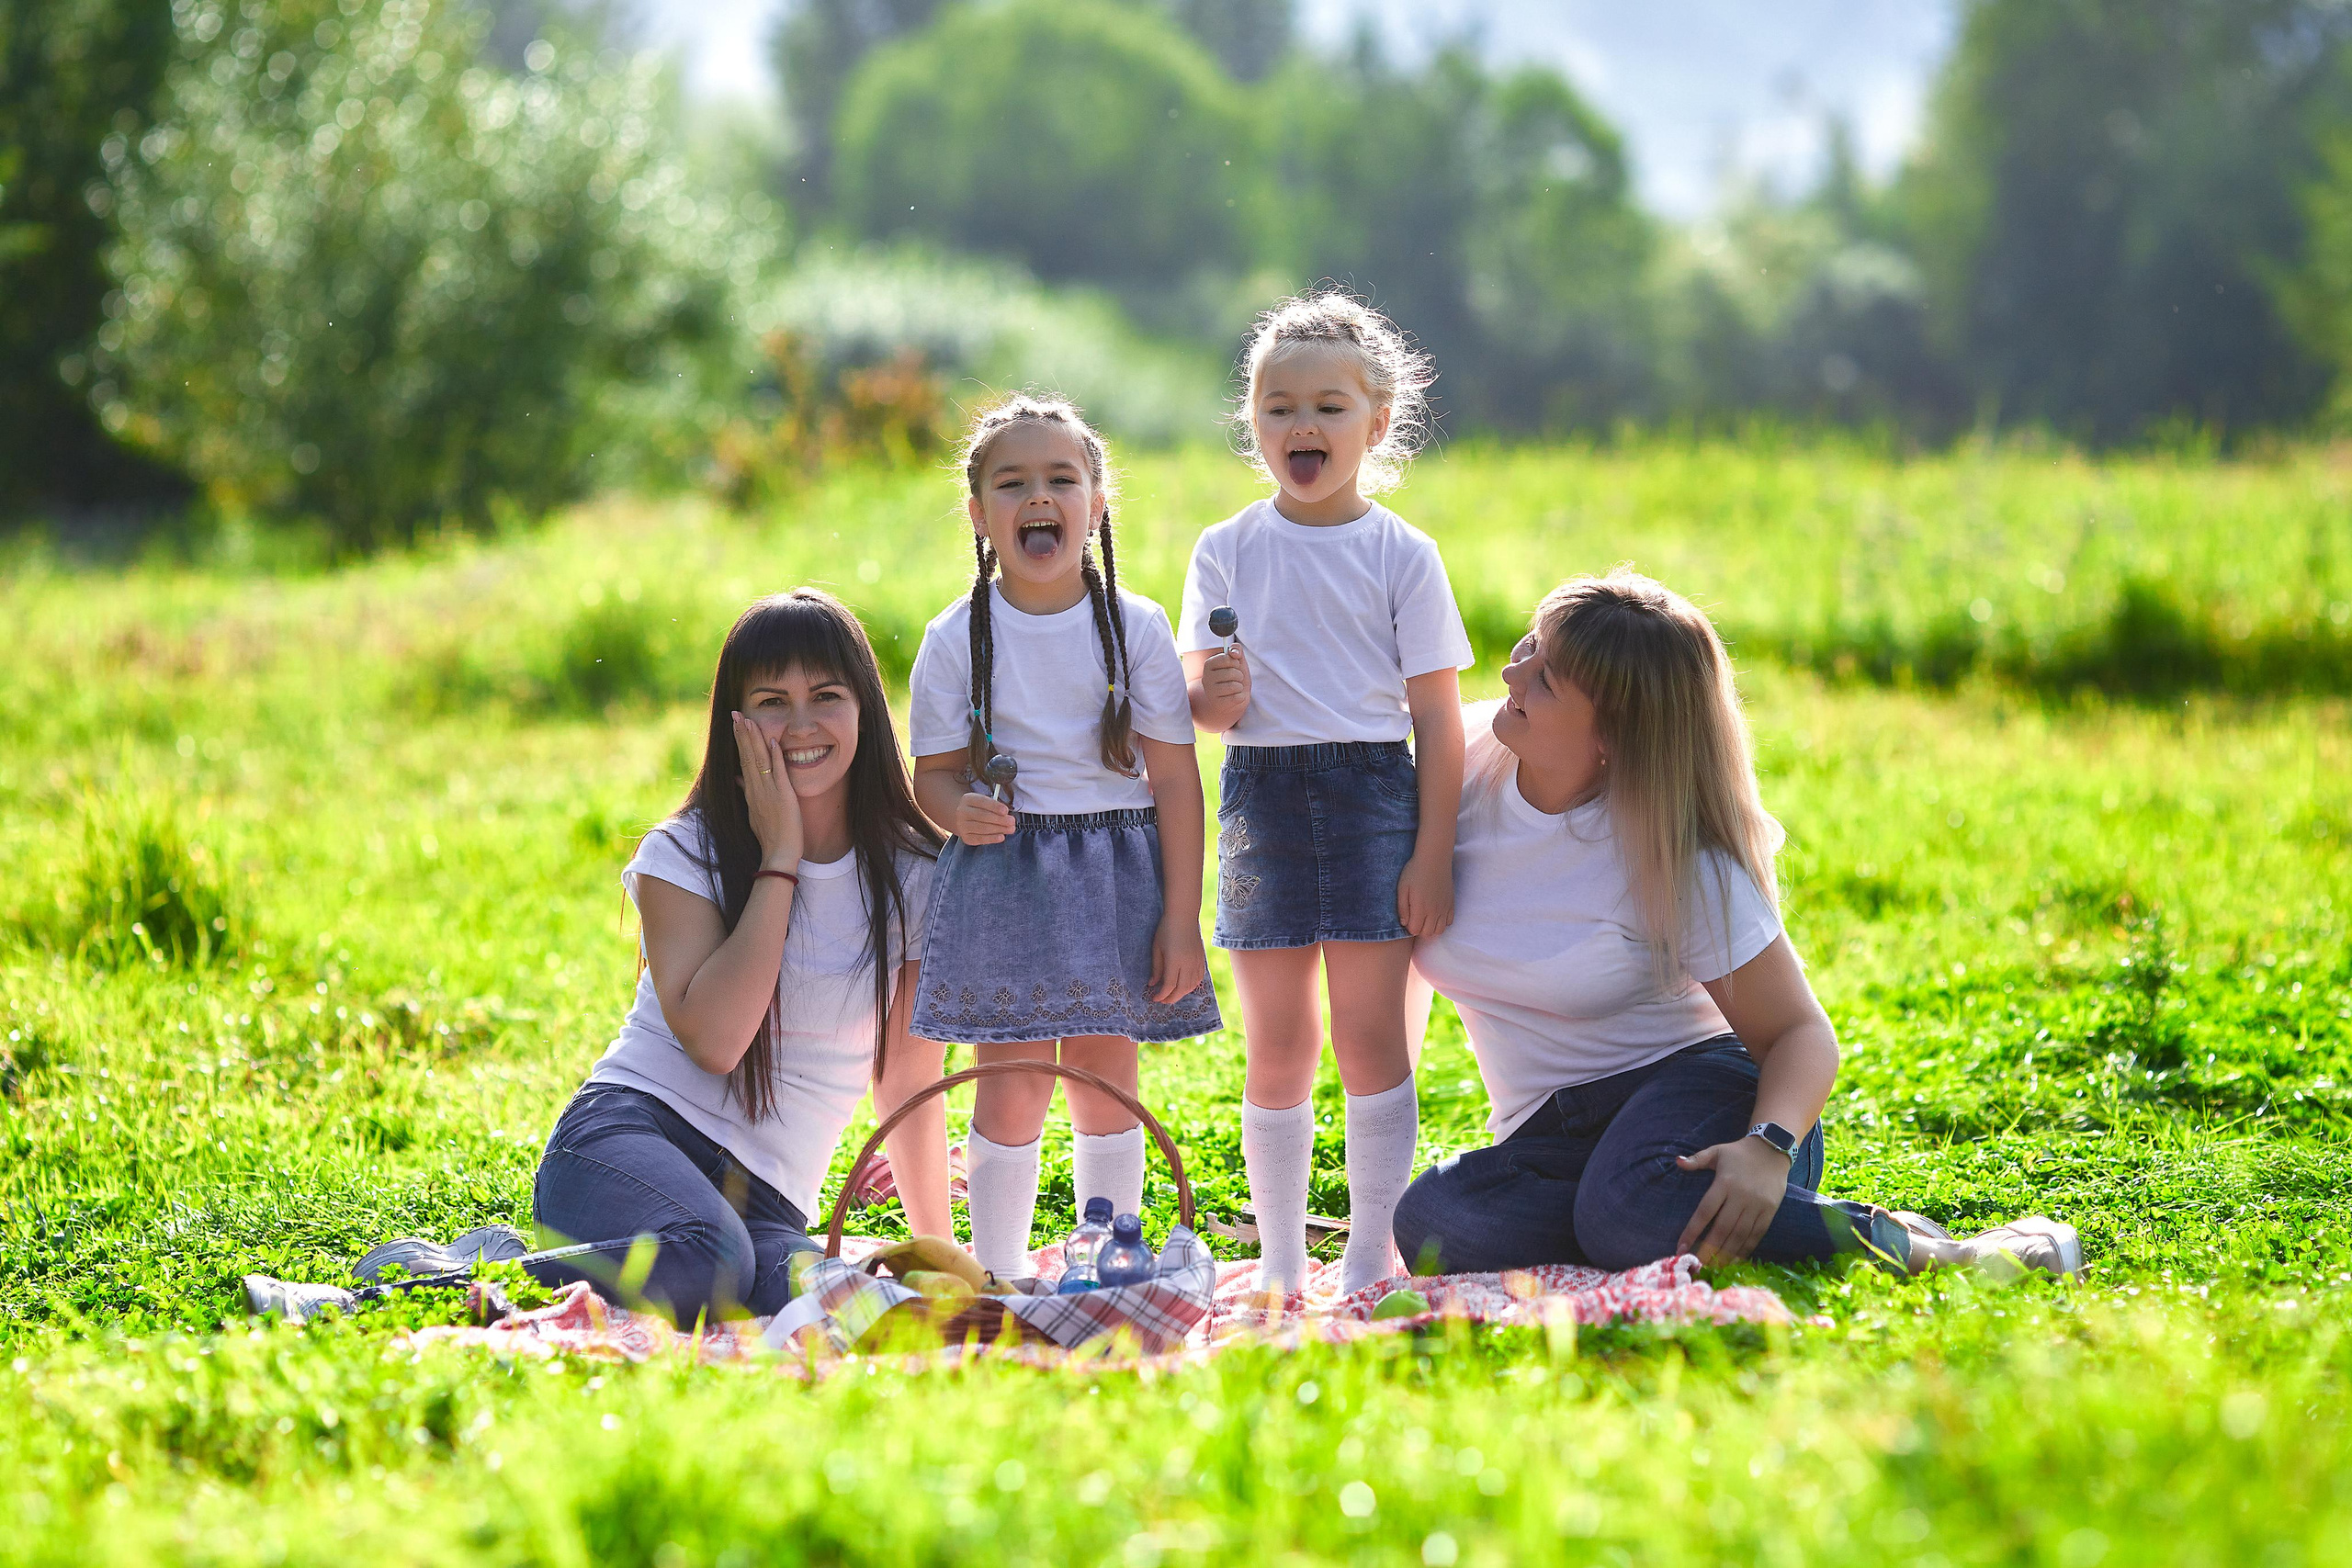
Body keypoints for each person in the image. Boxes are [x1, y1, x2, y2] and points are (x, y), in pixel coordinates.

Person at [1396, 571, 2079, 1280]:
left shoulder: (1675, 853)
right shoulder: (1457, 759)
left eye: (1547, 678)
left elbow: (1800, 1034)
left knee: (1626, 1209)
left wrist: (1768, 1147)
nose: (1511, 671)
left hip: (1712, 1095)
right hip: (1553, 1132)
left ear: (1614, 734)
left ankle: (1944, 1252)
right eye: (1529, 644)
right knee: (1439, 1222)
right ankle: (1650, 1222)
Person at [526, 590, 950, 1325]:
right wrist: (780, 855)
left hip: (766, 1208)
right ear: (737, 720)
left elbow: (909, 1082)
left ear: (866, 711)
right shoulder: (682, 852)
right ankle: (440, 1278)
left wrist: (942, 1259)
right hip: (627, 1140)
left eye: (826, 695)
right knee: (708, 1256)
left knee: (853, 1306)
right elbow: (718, 1042)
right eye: (772, 701)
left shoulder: (914, 871)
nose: (802, 724)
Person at [1179, 291, 1472, 1295]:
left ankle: (1363, 1254)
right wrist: (1209, 693)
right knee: (1279, 1042)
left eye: (1329, 408)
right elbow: (1204, 711)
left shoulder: (1403, 553)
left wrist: (1431, 852)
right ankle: (1278, 1261)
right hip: (1260, 800)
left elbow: (1437, 718)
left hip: (1371, 799)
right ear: (1252, 421)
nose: (1301, 426)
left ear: (1377, 422)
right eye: (1278, 407)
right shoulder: (1224, 548)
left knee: (1370, 1035)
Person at [908, 394, 1220, 1283]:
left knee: (1103, 1077)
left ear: (1095, 502)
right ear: (979, 515)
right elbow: (928, 775)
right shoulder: (953, 636)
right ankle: (999, 1272)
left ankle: (1105, 1255)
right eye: (1011, 484)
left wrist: (1181, 916)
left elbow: (1174, 782)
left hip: (1115, 874)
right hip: (1003, 876)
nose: (1036, 497)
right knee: (1008, 1084)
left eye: (1060, 479)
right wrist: (954, 809)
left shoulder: (1137, 626)